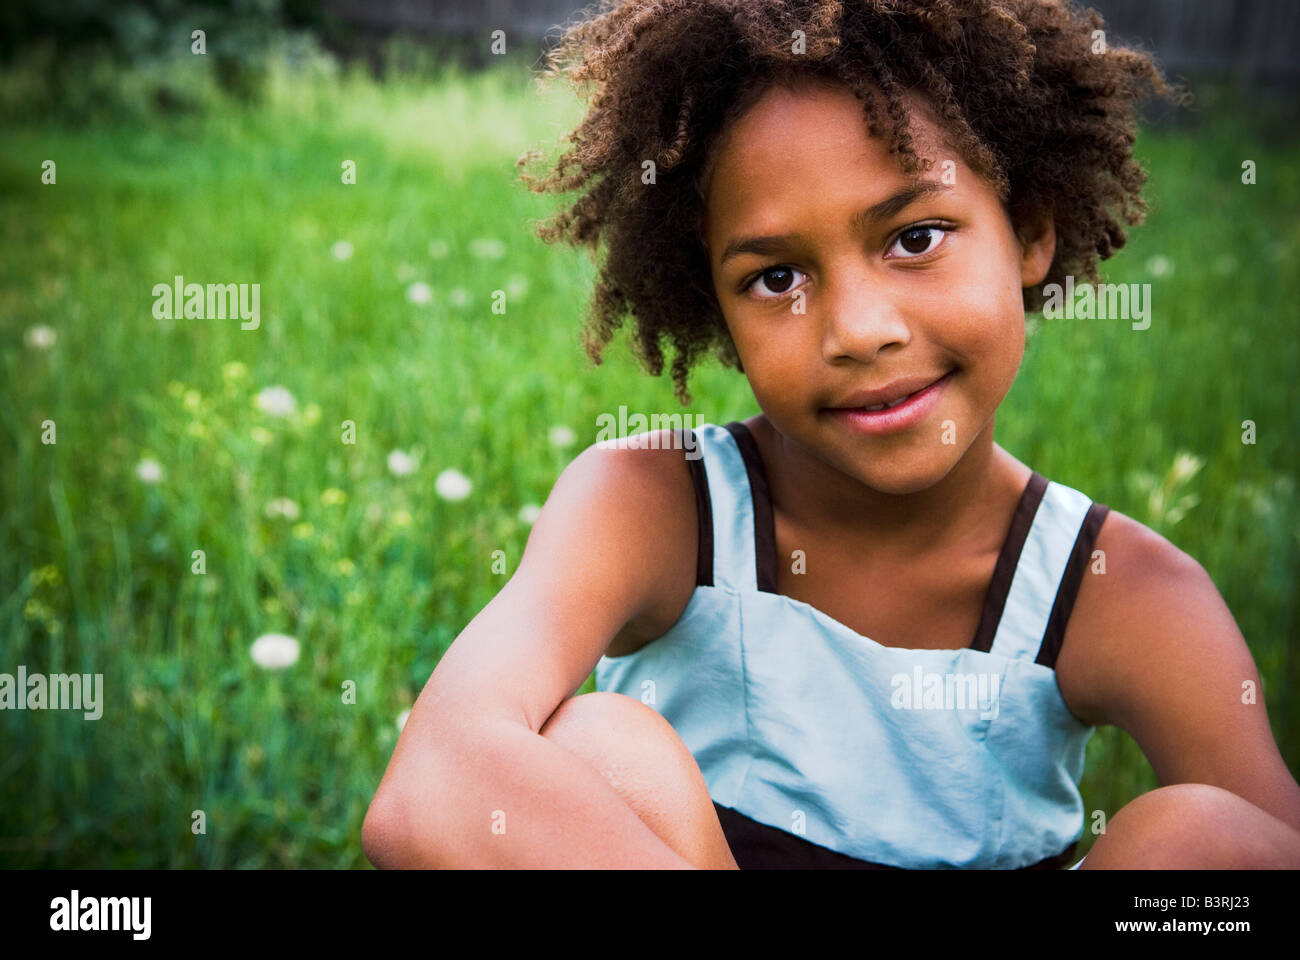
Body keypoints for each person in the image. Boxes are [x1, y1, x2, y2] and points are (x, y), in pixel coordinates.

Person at [362, 0, 1300, 869]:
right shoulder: (658, 506)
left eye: (916, 237)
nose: (859, 330)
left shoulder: (1120, 593)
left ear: (1028, 231)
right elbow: (434, 785)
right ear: (717, 310)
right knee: (601, 750)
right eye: (777, 279)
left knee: (1208, 841)